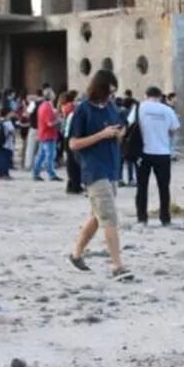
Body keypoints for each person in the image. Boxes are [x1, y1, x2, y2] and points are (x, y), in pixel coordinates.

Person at [68, 69, 133, 281]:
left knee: (97, 216)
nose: (111, 96)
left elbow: (117, 128)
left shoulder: (111, 107)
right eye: (108, 91)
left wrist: (119, 133)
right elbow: (74, 143)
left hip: (112, 166)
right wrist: (101, 135)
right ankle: (117, 265)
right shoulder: (82, 110)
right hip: (94, 169)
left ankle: (76, 253)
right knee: (109, 218)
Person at [132, 86, 180, 226]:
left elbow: (131, 125)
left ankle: (142, 218)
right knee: (164, 187)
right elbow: (173, 130)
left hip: (143, 152)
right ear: (160, 96)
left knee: (142, 187)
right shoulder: (167, 110)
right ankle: (165, 217)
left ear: (146, 95)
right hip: (163, 153)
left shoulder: (139, 107)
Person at [31, 89, 61, 181]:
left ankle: (35, 173)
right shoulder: (47, 107)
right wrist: (59, 120)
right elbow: (49, 123)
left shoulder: (42, 106)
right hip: (48, 134)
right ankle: (51, 174)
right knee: (50, 155)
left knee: (41, 155)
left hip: (43, 133)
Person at [0, 107, 16, 179]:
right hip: (7, 143)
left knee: (1, 158)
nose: (13, 114)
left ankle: (1, 174)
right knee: (6, 159)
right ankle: (5, 174)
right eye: (11, 112)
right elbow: (13, 131)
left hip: (0, 142)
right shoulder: (8, 122)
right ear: (8, 113)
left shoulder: (0, 120)